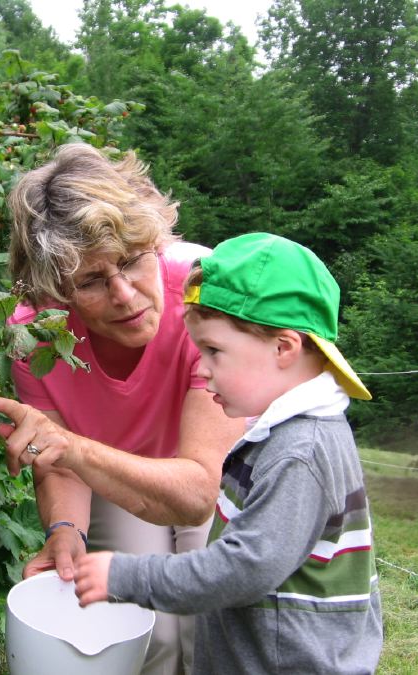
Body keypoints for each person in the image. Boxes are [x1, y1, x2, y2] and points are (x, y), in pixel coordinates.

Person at [73, 232, 384, 674]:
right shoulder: (282, 433)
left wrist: (125, 576)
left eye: (214, 351)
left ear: (283, 348)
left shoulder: (301, 452)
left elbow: (244, 568)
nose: (200, 368)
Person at [0, 143, 244, 675]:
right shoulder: (36, 336)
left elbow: (198, 494)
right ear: (58, 291)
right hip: (116, 468)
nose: (125, 295)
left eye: (131, 261)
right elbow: (60, 461)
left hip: (215, 462)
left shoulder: (207, 292)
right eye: (91, 281)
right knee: (145, 630)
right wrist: (66, 533)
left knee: (209, 619)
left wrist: (73, 449)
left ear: (155, 241)